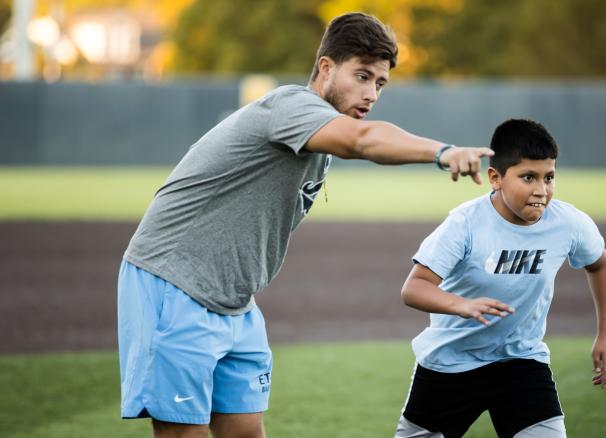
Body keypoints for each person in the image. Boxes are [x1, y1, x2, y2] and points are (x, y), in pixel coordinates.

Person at [118, 12, 493, 438]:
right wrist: (441, 152)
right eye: (363, 76)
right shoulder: (290, 106)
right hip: (174, 285)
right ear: (326, 67)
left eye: (380, 83)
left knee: (245, 432)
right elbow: (363, 140)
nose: (371, 93)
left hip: (235, 304)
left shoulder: (320, 138)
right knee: (185, 433)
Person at [394, 119, 606, 438]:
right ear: (495, 178)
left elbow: (600, 265)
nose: (541, 190)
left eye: (549, 177)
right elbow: (413, 288)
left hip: (521, 360)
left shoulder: (567, 223)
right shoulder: (465, 224)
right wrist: (462, 305)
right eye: (528, 177)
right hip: (451, 364)